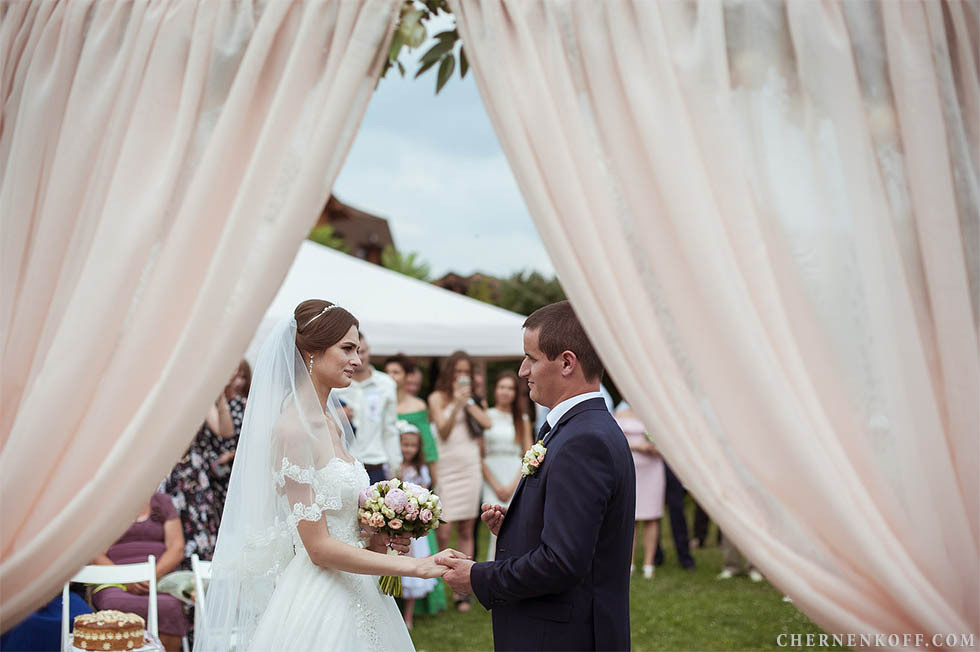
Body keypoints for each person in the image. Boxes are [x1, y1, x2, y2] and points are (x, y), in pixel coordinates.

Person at [196, 300, 464, 652]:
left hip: (362, 589)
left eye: (358, 349)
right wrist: (415, 567)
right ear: (312, 352)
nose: (358, 360)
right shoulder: (293, 430)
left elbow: (346, 526)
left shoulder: (332, 425)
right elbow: (318, 547)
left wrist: (382, 535)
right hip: (322, 598)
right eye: (347, 349)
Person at [440, 301, 636, 651]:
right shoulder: (580, 427)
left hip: (564, 637)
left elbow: (562, 563)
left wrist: (477, 576)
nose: (521, 371)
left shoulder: (583, 440)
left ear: (566, 363)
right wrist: (519, 526)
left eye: (530, 358)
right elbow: (580, 535)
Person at [428, 350, 492, 612]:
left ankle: (464, 588)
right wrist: (455, 402)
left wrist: (469, 403)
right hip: (446, 465)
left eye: (467, 372)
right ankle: (442, 582)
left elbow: (487, 423)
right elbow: (442, 430)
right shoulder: (436, 398)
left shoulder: (475, 400)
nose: (462, 377)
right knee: (443, 530)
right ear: (450, 373)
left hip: (469, 464)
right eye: (458, 372)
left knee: (467, 528)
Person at [91, 493, 189, 651]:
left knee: (170, 606)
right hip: (115, 579)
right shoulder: (105, 503)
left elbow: (177, 547)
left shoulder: (162, 502)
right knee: (112, 604)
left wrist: (151, 576)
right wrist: (125, 579)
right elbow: (93, 552)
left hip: (157, 579)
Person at [165, 381, 237, 564]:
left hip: (196, 475)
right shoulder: (164, 402)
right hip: (172, 471)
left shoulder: (199, 399)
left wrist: (219, 399)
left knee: (201, 524)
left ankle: (200, 578)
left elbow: (226, 431)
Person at [333, 333, 401, 484]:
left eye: (362, 351)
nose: (359, 358)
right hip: (343, 467)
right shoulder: (334, 385)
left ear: (369, 350)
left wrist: (395, 466)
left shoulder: (386, 383)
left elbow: (390, 429)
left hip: (376, 466)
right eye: (354, 352)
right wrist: (336, 416)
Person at [481, 370, 532, 561]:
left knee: (512, 524)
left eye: (510, 388)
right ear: (495, 390)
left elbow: (528, 454)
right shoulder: (486, 416)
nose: (505, 392)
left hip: (514, 474)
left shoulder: (522, 419)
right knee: (494, 521)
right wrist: (495, 485)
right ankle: (491, 568)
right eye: (502, 387)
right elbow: (480, 454)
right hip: (491, 475)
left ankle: (511, 567)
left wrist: (512, 486)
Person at [614, 401, 665, 580]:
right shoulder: (620, 413)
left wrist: (655, 446)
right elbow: (615, 441)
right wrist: (639, 447)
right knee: (631, 517)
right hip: (631, 468)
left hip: (653, 468)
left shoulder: (654, 413)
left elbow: (666, 442)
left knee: (652, 516)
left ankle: (649, 564)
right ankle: (629, 562)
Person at [396, 422, 438, 630]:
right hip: (395, 525)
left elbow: (425, 492)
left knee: (412, 567)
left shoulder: (421, 469)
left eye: (413, 445)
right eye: (405, 445)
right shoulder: (395, 467)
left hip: (413, 528)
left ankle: (408, 616)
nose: (409, 449)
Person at [384, 355, 439, 488]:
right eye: (387, 372)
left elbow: (428, 444)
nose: (390, 376)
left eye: (396, 372)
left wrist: (434, 478)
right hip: (384, 468)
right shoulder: (380, 404)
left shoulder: (418, 405)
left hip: (412, 473)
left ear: (407, 376)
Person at [210, 360, 250, 520]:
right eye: (236, 376)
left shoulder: (246, 405)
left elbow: (252, 442)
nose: (239, 382)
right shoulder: (213, 406)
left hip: (237, 469)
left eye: (243, 377)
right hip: (214, 469)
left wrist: (231, 455)